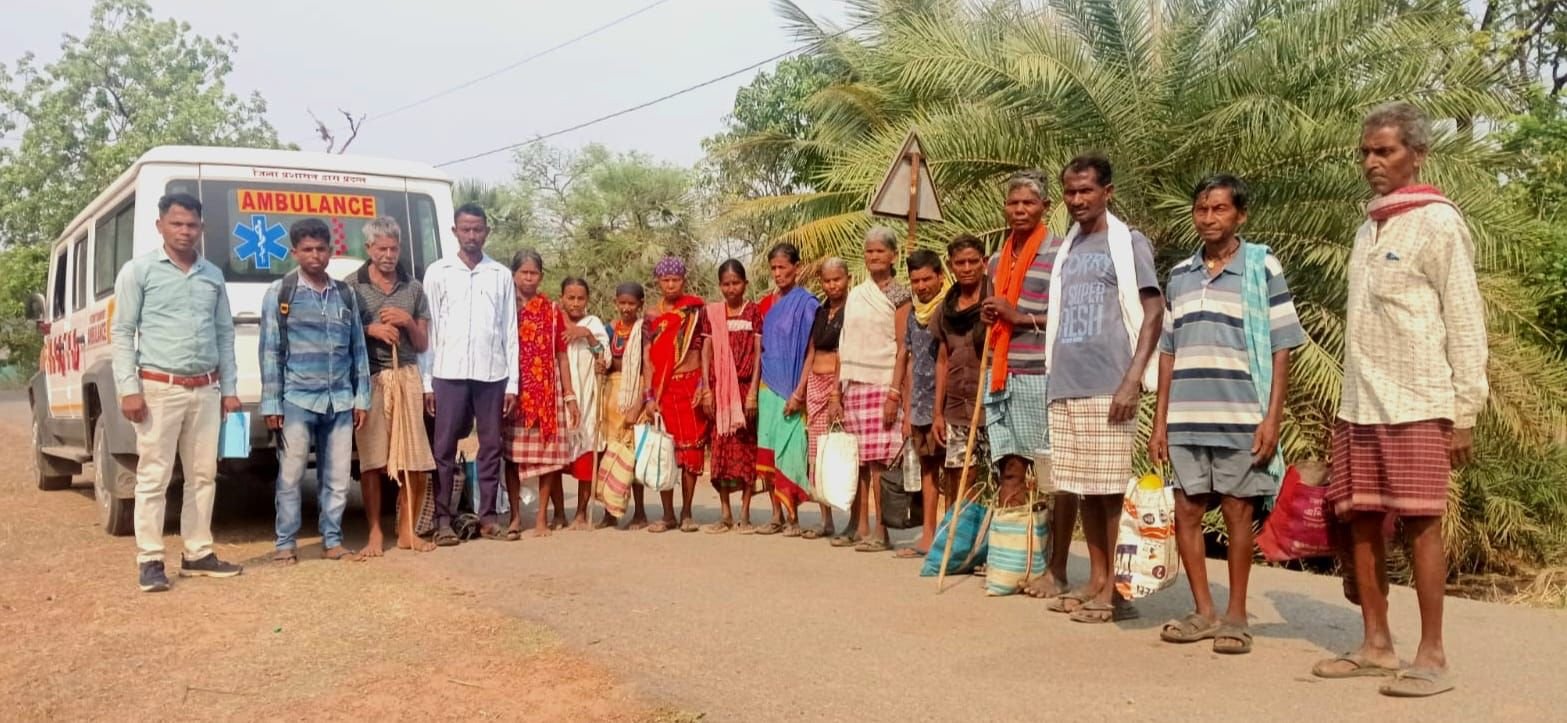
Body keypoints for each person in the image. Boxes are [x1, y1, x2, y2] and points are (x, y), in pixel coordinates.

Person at [1310, 102, 1486, 698]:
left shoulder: (1439, 223)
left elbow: (1465, 318)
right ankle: (1376, 645)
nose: (1371, 162)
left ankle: (1432, 655)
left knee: (1421, 523)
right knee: (1360, 519)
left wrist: (1465, 411)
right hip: (1360, 403)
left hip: (1418, 401)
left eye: (1384, 151)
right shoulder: (1369, 227)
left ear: (1418, 155)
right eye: (1365, 152)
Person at [1150, 175, 1305, 654]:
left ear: (1240, 215)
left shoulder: (1261, 267)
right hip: (1186, 417)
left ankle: (1236, 616)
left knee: (1239, 512)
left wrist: (1272, 418)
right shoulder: (1180, 274)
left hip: (1242, 415)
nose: (1209, 218)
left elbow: (1282, 345)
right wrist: (1159, 423)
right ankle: (1203, 611)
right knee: (1187, 510)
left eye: (1219, 209)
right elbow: (1168, 351)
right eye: (1202, 209)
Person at [1042, 154, 1163, 623]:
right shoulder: (1069, 247)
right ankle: (1096, 579)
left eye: (1086, 190)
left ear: (1107, 192)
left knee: (1111, 490)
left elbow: (1153, 312)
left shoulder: (1128, 242)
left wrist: (1131, 380)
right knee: (1084, 487)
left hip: (1108, 384)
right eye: (1070, 192)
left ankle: (1118, 590)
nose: (1077, 200)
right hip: (1067, 382)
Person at [111, 193, 244, 592]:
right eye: (177, 224)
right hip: (158, 389)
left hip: (206, 389)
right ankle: (150, 559)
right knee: (154, 476)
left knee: (203, 476)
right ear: (160, 226)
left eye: (191, 225)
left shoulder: (212, 275)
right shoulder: (139, 271)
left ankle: (198, 552)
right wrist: (128, 389)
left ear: (202, 228)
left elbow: (224, 333)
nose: (184, 231)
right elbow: (122, 332)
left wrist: (229, 390)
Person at [978, 171, 1074, 599]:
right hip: (1002, 373)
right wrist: (993, 315)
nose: (1019, 210)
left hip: (1043, 374)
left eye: (1028, 203)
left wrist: (1019, 317)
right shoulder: (997, 260)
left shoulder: (1060, 253)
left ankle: (1057, 567)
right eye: (1013, 203)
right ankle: (1014, 559)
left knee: (1054, 474)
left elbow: (1071, 316)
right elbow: (995, 313)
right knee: (1009, 466)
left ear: (1045, 207)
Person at [261, 218, 373, 565]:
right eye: (307, 249)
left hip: (340, 400)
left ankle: (332, 540)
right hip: (297, 398)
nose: (315, 255)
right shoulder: (281, 292)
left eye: (321, 249)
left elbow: (358, 348)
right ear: (294, 252)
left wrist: (362, 397)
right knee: (291, 475)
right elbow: (270, 351)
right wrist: (271, 403)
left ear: (330, 251)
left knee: (337, 478)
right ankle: (285, 543)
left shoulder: (345, 294)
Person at [422, 203, 519, 546]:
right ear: (455, 232)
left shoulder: (500, 274)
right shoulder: (438, 272)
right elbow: (429, 329)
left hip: (492, 374)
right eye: (466, 229)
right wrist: (427, 381)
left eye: (478, 229)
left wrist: (512, 383)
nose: (472, 235)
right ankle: (443, 519)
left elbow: (509, 330)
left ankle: (489, 517)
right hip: (447, 373)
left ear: (486, 232)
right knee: (444, 447)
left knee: (491, 446)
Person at [350, 217, 436, 556]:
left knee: (413, 459)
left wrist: (407, 322)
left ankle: (406, 531)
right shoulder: (351, 286)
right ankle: (374, 532)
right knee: (372, 460)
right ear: (368, 248)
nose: (388, 255)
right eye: (381, 248)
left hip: (407, 376)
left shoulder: (413, 288)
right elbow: (341, 333)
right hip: (370, 379)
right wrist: (370, 329)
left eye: (394, 249)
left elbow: (423, 342)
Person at [838, 228, 913, 552]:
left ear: (893, 255)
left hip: (883, 384)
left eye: (880, 251)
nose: (874, 257)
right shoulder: (857, 294)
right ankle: (860, 526)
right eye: (869, 251)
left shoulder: (900, 295)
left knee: (881, 462)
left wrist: (895, 394)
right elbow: (844, 343)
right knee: (858, 461)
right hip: (853, 385)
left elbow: (903, 347)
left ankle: (882, 531)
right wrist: (836, 393)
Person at [502, 250, 580, 539]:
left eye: (533, 273)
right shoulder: (504, 307)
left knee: (548, 458)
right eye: (523, 272)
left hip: (547, 392)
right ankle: (514, 516)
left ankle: (542, 518)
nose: (528, 278)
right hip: (513, 392)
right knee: (512, 456)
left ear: (541, 276)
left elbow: (562, 355)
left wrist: (569, 395)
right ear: (513, 275)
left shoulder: (552, 311)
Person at [637, 257, 710, 533]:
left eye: (675, 280)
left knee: (691, 451)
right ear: (658, 282)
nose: (670, 285)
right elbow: (647, 358)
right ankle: (667, 514)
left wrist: (703, 383)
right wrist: (648, 397)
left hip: (690, 385)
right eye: (665, 280)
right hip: (662, 390)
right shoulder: (651, 317)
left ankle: (687, 511)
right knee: (664, 451)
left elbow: (703, 348)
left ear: (683, 281)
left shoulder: (695, 310)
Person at [928, 236, 990, 558]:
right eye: (960, 263)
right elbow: (942, 360)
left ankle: (991, 546)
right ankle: (958, 545)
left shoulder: (995, 301)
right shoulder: (946, 309)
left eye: (972, 261)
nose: (967, 268)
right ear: (951, 266)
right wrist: (937, 413)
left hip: (991, 404)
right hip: (955, 406)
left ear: (984, 262)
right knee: (957, 475)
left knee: (993, 477)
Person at [756, 244, 819, 536]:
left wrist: (799, 392)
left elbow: (811, 350)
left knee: (791, 450)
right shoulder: (766, 304)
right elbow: (761, 349)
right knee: (769, 450)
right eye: (774, 268)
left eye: (783, 267)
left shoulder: (807, 303)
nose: (778, 273)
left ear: (797, 267)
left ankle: (793, 517)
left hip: (792, 388)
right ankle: (775, 514)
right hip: (767, 387)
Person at [892, 248, 948, 558]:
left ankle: (952, 538)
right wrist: (907, 407)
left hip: (948, 404)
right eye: (916, 281)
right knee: (928, 469)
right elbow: (910, 359)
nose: (922, 286)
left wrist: (941, 409)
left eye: (927, 279)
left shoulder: (949, 309)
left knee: (953, 471)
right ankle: (928, 535)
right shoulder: (914, 314)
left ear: (940, 276)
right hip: (921, 404)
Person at [790, 257, 850, 540]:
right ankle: (826, 520)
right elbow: (812, 351)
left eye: (837, 279)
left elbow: (844, 352)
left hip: (838, 385)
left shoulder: (852, 310)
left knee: (841, 449)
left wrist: (836, 391)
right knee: (817, 453)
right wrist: (800, 389)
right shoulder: (821, 311)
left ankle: (852, 519)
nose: (832, 285)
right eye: (827, 281)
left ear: (847, 279)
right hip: (815, 383)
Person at [704, 259, 764, 533]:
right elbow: (706, 351)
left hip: (743, 390)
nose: (731, 289)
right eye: (726, 284)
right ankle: (725, 512)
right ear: (720, 286)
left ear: (745, 284)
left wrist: (752, 393)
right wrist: (706, 389)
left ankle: (745, 512)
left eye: (736, 283)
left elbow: (758, 353)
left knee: (746, 450)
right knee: (721, 452)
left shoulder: (753, 312)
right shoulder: (713, 314)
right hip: (719, 391)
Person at [560, 277, 610, 531]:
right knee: (556, 460)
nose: (576, 303)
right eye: (571, 298)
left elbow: (604, 358)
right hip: (559, 396)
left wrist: (587, 336)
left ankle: (580, 512)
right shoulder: (555, 322)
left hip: (587, 399)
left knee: (586, 455)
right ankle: (559, 513)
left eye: (581, 298)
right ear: (562, 298)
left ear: (587, 300)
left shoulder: (593, 324)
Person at [602, 282, 652, 529]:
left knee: (633, 456)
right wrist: (600, 364)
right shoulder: (609, 329)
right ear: (615, 303)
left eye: (631, 303)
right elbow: (604, 359)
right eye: (622, 303)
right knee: (609, 454)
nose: (626, 308)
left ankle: (640, 512)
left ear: (640, 304)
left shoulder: (644, 330)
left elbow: (648, 365)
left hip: (635, 395)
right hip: (610, 396)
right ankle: (609, 512)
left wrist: (641, 402)